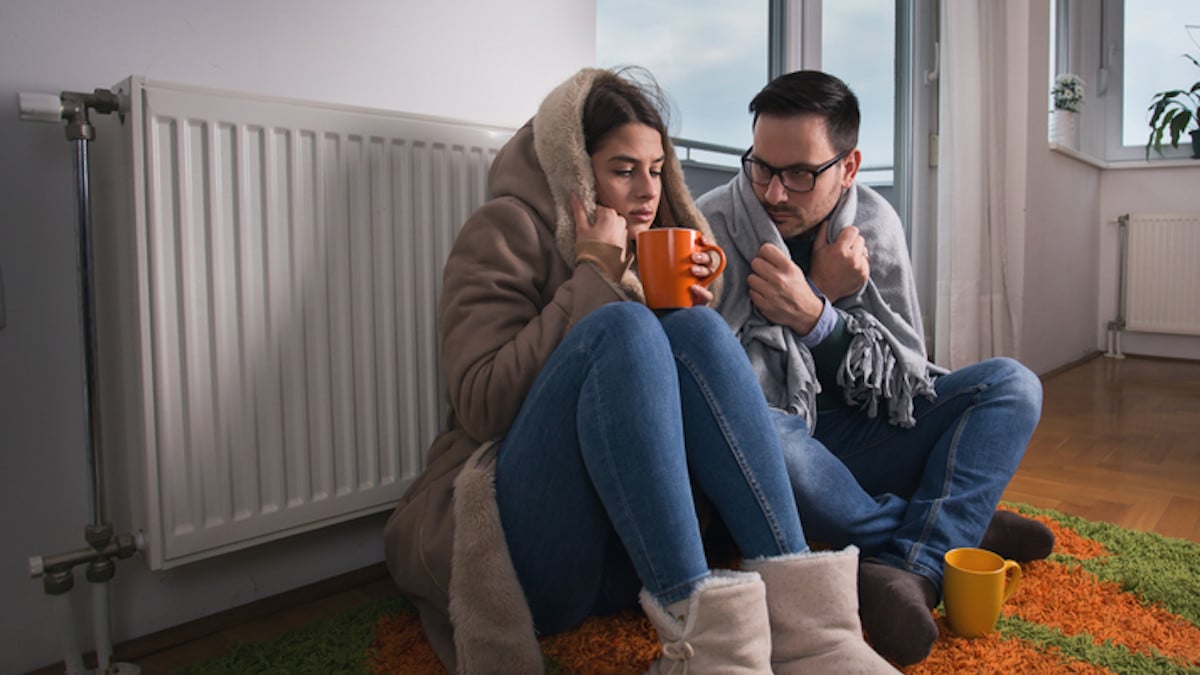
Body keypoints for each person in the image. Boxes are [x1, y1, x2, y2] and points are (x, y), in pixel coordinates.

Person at [382, 67, 897, 674]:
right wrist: (593, 275)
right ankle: (700, 650)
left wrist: (672, 308)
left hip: (626, 554)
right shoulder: (506, 229)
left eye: (656, 170)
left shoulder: (652, 240)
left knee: (696, 329)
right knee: (623, 329)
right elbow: (481, 403)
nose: (648, 193)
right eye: (623, 170)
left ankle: (813, 632)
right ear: (576, 169)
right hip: (530, 547)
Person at [696, 69, 1054, 666]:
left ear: (849, 167)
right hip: (780, 442)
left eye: (801, 174)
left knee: (1013, 385)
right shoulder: (713, 224)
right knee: (763, 432)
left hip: (866, 439)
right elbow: (715, 385)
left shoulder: (876, 226)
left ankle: (912, 560)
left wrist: (817, 315)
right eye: (759, 166)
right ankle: (945, 534)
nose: (773, 193)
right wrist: (818, 291)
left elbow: (903, 384)